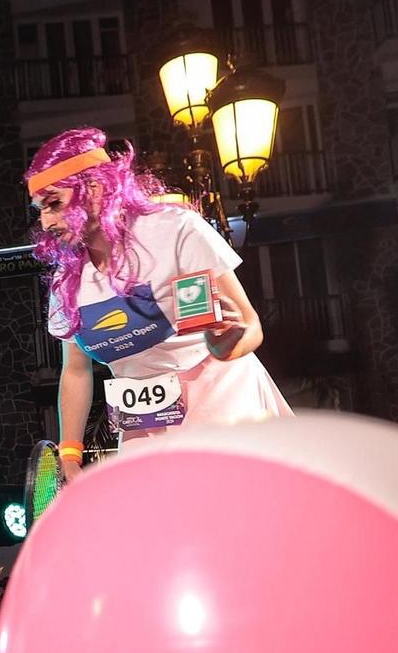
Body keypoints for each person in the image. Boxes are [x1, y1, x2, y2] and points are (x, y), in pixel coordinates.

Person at [25, 127, 289, 478]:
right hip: (143, 421)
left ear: (94, 188)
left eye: (54, 203)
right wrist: (70, 454)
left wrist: (229, 344)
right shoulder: (67, 280)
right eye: (40, 209)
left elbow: (250, 325)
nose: (45, 222)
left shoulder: (173, 230)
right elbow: (75, 369)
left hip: (219, 393)